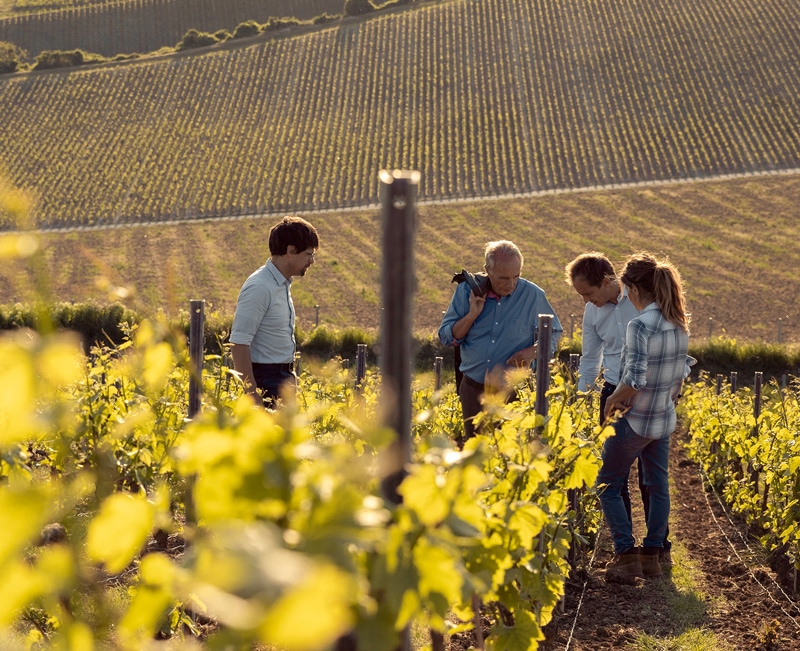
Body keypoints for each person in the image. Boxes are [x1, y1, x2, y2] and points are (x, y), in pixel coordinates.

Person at [597, 252, 690, 580]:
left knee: (607, 484)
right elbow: (680, 377)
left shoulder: (640, 325)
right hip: (662, 419)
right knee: (656, 484)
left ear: (633, 290)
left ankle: (625, 555)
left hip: (635, 420)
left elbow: (634, 378)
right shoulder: (678, 323)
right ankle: (654, 555)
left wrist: (612, 400)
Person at [438, 240, 563, 446]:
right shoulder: (466, 292)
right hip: (473, 390)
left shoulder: (533, 295)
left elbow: (555, 333)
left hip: (512, 392)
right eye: (503, 278)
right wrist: (471, 315)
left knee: (510, 454)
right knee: (476, 453)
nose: (511, 284)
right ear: (487, 270)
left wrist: (532, 351)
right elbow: (446, 337)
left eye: (516, 276)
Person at [229, 216, 319, 408]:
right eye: (309, 254)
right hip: (265, 382)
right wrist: (253, 398)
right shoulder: (260, 287)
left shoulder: (280, 284)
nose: (312, 261)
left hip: (281, 379)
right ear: (290, 251)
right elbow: (239, 343)